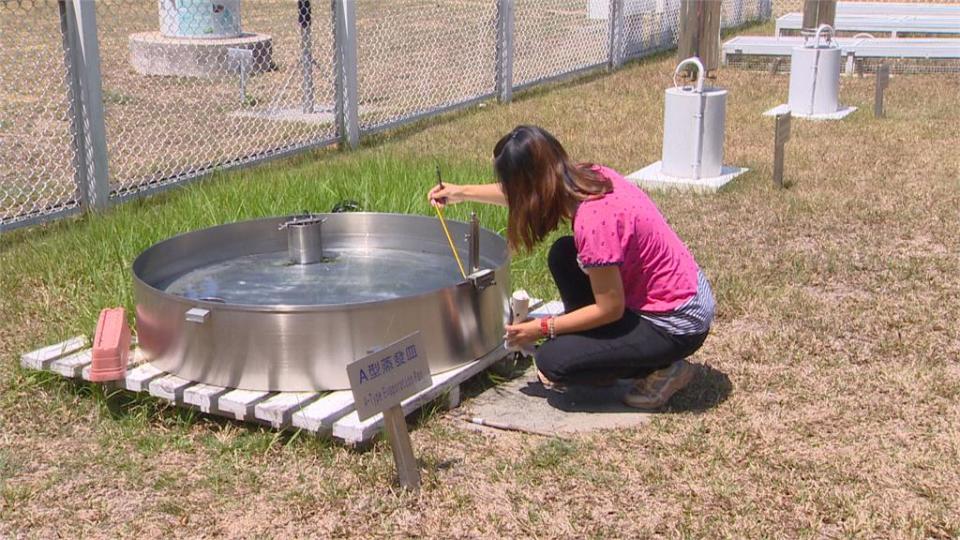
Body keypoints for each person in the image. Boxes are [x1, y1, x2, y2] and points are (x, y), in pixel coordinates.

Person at [428, 125, 714, 409]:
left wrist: (542, 328)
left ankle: (662, 369)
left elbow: (610, 308)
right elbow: (525, 191)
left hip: (677, 323)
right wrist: (460, 192)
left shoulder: (593, 221)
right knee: (564, 254)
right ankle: (603, 355)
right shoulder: (588, 175)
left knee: (554, 361)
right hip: (681, 293)